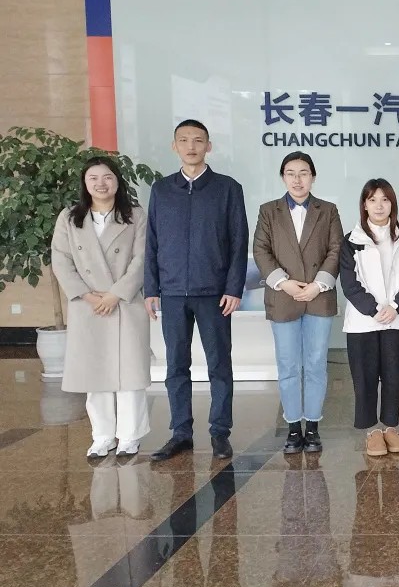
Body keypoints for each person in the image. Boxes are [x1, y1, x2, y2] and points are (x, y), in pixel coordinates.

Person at [144, 119, 248, 461]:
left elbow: (239, 241)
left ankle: (220, 432)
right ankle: (180, 433)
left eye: (198, 140)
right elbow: (152, 241)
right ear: (174, 146)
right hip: (173, 292)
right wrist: (151, 288)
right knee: (176, 365)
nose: (191, 146)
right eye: (184, 140)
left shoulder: (227, 188)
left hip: (214, 292)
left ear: (209, 146)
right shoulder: (162, 190)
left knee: (219, 364)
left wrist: (234, 287)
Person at [51, 157, 151, 457]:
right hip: (88, 305)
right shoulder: (70, 217)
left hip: (125, 303)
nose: (101, 184)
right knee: (94, 373)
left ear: (117, 181)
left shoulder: (135, 215)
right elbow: (61, 260)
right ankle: (103, 435)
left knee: (130, 374)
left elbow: (142, 258)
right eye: (93, 178)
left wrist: (115, 294)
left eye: (107, 177)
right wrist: (87, 295)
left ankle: (130, 435)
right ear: (85, 183)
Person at [252, 151, 342, 455]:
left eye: (303, 173)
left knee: (316, 364)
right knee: (288, 365)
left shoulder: (327, 210)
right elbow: (261, 250)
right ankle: (293, 427)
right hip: (284, 297)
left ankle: (312, 427)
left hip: (318, 297)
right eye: (291, 173)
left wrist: (318, 285)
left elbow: (335, 249)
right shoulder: (269, 211)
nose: (297, 179)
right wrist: (284, 282)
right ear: (283, 177)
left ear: (313, 177)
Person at [340, 178, 399, 456]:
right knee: (364, 379)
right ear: (364, 205)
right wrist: (374, 309)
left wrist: (396, 307)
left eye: (385, 199)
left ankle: (390, 427)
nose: (379, 205)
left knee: (392, 376)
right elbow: (350, 283)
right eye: (372, 199)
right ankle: (371, 431)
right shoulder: (351, 241)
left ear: (392, 204)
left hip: (397, 320)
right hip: (363, 323)